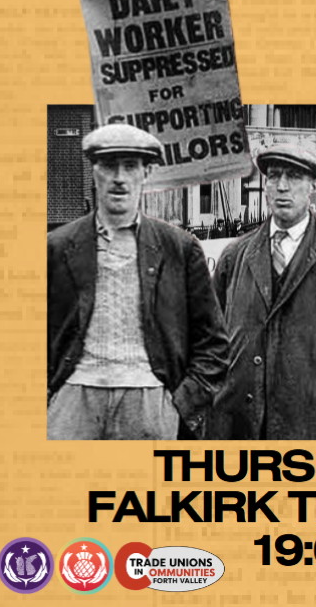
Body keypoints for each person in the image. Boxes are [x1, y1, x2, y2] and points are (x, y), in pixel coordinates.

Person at [47, 125, 229, 440]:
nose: (119, 177)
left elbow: (213, 343)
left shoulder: (179, 248)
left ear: (146, 173)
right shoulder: (57, 246)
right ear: (94, 171)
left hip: (149, 400)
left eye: (130, 166)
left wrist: (180, 404)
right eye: (109, 165)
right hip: (73, 400)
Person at [211, 144, 316, 439]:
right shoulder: (235, 256)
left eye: (294, 177)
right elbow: (211, 338)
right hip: (240, 425)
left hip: (313, 426)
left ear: (314, 185)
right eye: (273, 176)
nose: (282, 187)